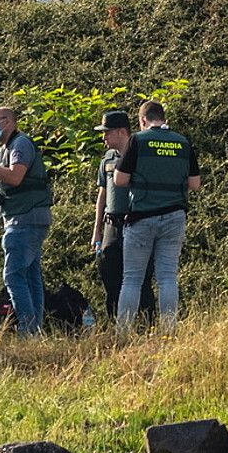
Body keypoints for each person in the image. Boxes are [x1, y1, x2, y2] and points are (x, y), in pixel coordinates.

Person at [113, 100, 201, 333]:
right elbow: (195, 184)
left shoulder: (138, 140)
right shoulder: (182, 142)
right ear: (162, 117)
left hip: (141, 217)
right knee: (167, 277)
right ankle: (169, 330)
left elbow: (119, 180)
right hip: (174, 216)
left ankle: (124, 332)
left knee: (132, 278)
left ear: (142, 120)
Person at [0, 106, 52, 335]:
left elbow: (15, 177)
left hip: (25, 218)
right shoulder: (8, 146)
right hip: (28, 217)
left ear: (7, 122)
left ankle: (27, 330)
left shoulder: (20, 144)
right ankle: (35, 329)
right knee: (31, 275)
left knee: (13, 275)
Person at [91, 110, 155, 323]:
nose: (104, 138)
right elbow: (102, 195)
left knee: (141, 280)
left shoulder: (141, 154)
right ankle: (115, 325)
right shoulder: (107, 159)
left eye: (107, 133)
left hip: (136, 223)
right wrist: (97, 231)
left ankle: (146, 325)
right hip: (112, 225)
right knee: (110, 278)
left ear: (121, 131)